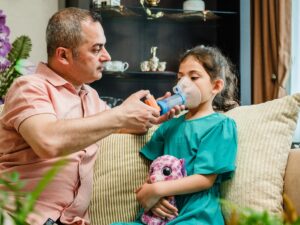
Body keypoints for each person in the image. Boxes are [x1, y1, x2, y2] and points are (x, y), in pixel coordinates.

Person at [0, 7, 182, 225]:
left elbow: (117, 125)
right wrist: (120, 115)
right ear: (63, 55)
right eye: (97, 49)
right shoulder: (29, 88)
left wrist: (151, 115)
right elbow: (47, 141)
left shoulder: (90, 96)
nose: (107, 56)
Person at [111, 45, 239, 225]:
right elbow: (157, 169)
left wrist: (156, 190)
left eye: (193, 77)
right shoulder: (169, 126)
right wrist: (150, 193)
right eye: (180, 77)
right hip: (160, 216)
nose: (183, 85)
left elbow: (205, 179)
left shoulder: (220, 125)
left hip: (196, 216)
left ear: (216, 85)